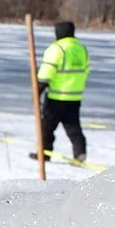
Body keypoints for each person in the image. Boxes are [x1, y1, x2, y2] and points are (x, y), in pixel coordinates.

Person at [33, 20, 91, 163]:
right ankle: (80, 153)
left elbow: (46, 72)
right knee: (73, 127)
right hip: (74, 97)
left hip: (56, 96)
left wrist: (38, 89)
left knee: (46, 127)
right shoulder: (81, 49)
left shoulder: (57, 49)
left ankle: (44, 153)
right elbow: (87, 70)